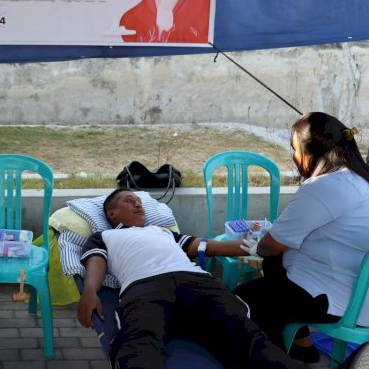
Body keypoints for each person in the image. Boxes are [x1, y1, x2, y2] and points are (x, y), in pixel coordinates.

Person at [77, 188, 307, 369]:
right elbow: (96, 263)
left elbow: (210, 247)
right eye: (129, 200)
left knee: (245, 334)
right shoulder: (104, 236)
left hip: (198, 282)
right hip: (145, 288)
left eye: (139, 201)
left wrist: (261, 247)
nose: (138, 204)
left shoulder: (164, 232)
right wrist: (89, 292)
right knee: (139, 344)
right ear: (111, 213)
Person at [234, 111, 369, 363]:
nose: (294, 157)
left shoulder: (324, 186)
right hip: (357, 290)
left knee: (244, 299)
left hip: (341, 299)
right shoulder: (359, 179)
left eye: (295, 149)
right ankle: (302, 345)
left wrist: (261, 243)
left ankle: (274, 360)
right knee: (275, 266)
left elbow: (271, 246)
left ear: (310, 151)